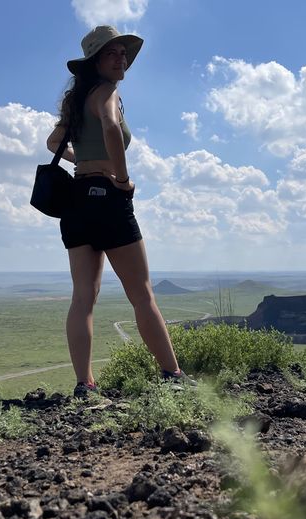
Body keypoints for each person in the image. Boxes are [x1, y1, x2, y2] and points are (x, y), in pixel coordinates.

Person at [46, 25, 196, 398]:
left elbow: (53, 142)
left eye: (123, 53)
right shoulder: (107, 92)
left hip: (76, 200)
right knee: (142, 295)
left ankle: (85, 384)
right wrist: (122, 179)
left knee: (83, 297)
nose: (121, 59)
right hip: (108, 198)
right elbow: (112, 128)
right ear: (95, 61)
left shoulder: (75, 102)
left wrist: (83, 162)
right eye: (112, 53)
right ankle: (172, 376)